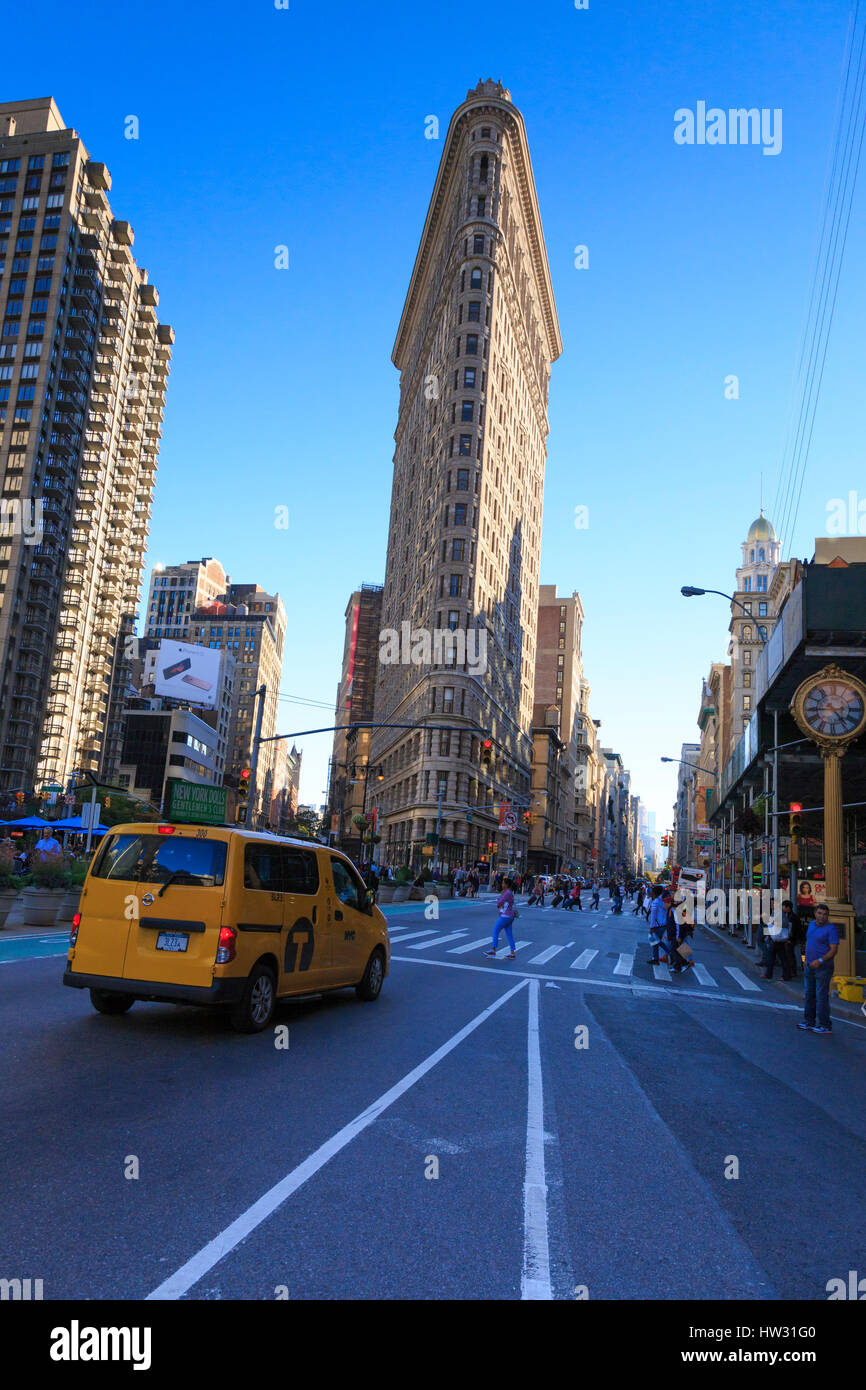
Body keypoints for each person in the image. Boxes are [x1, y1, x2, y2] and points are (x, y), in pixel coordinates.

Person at [797, 902, 839, 1034]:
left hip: (823, 967)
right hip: (810, 965)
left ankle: (825, 1025)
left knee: (821, 996)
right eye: (820, 913)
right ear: (815, 913)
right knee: (809, 994)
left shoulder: (831, 929)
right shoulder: (811, 925)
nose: (822, 916)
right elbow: (809, 943)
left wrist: (820, 960)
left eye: (825, 914)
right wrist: (805, 960)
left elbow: (833, 950)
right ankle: (809, 1021)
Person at [762, 900, 796, 982]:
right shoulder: (779, 913)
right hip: (777, 938)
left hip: (779, 939)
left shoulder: (782, 914)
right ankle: (771, 974)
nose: (772, 905)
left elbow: (785, 924)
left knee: (780, 958)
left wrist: (773, 922)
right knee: (777, 957)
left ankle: (783, 975)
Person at [485, 877, 517, 959]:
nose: (502, 884)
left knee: (495, 930)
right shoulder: (509, 892)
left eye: (503, 883)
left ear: (506, 885)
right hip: (510, 916)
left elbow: (499, 902)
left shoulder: (507, 893)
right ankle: (512, 953)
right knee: (509, 934)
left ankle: (493, 949)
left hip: (505, 916)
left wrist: (500, 896)